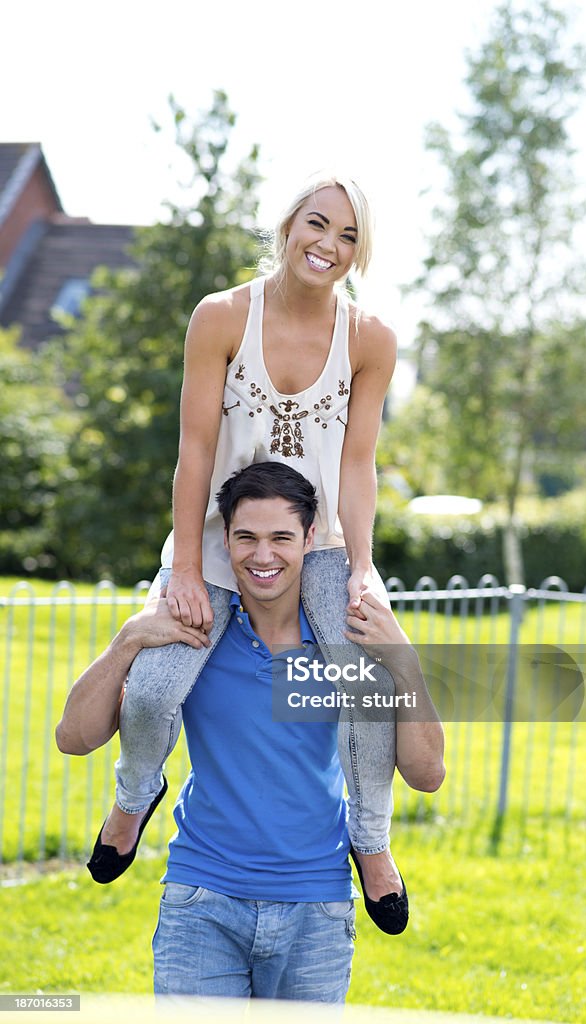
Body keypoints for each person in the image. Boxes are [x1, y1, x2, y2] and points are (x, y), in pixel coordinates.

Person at [82, 172, 413, 931]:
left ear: (360, 253)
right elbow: (195, 450)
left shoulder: (372, 340)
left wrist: (362, 567)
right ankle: (135, 796)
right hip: (217, 539)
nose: (328, 245)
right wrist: (190, 572)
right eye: (318, 224)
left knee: (368, 685)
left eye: (349, 235)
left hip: (320, 544)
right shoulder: (223, 316)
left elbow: (357, 465)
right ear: (288, 224)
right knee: (158, 687)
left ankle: (370, 842)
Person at [56, 463, 445, 1001]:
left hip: (318, 909)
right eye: (247, 538)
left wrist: (404, 660)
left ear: (310, 539)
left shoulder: (339, 653)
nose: (263, 557)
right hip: (202, 899)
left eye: (281, 538)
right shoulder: (195, 640)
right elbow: (72, 738)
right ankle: (134, 803)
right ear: (225, 541)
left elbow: (427, 775)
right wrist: (127, 641)